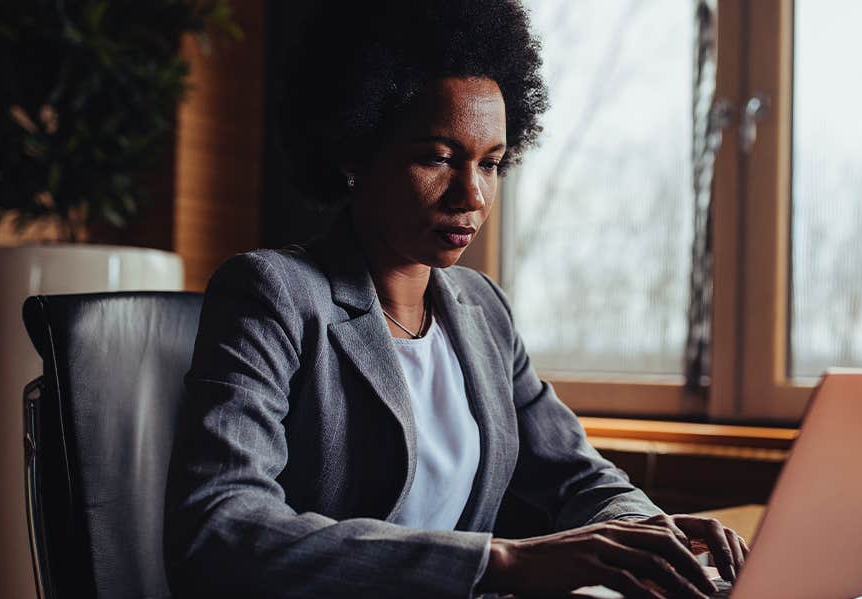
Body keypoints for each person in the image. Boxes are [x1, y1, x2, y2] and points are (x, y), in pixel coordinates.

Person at [164, 1, 748, 597]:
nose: (471, 195)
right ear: (354, 151)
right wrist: (501, 562)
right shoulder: (272, 293)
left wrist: (650, 532)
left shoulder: (481, 308)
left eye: (490, 163)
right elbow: (220, 525)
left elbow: (574, 474)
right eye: (438, 158)